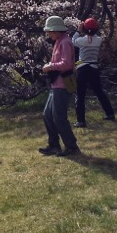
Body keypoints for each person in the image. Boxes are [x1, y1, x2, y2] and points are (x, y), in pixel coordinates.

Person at [39, 15, 80, 157]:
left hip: (63, 84)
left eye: (49, 31)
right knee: (47, 115)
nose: (48, 34)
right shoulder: (59, 41)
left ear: (56, 30)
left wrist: (51, 66)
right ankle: (54, 145)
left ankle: (72, 147)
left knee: (59, 117)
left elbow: (67, 64)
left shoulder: (65, 42)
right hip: (56, 83)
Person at [72, 17, 115, 127]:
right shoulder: (98, 40)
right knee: (99, 91)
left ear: (84, 29)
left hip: (82, 68)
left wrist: (78, 30)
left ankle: (81, 121)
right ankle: (110, 113)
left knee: (80, 94)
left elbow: (73, 41)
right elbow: (91, 37)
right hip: (94, 68)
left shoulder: (81, 40)